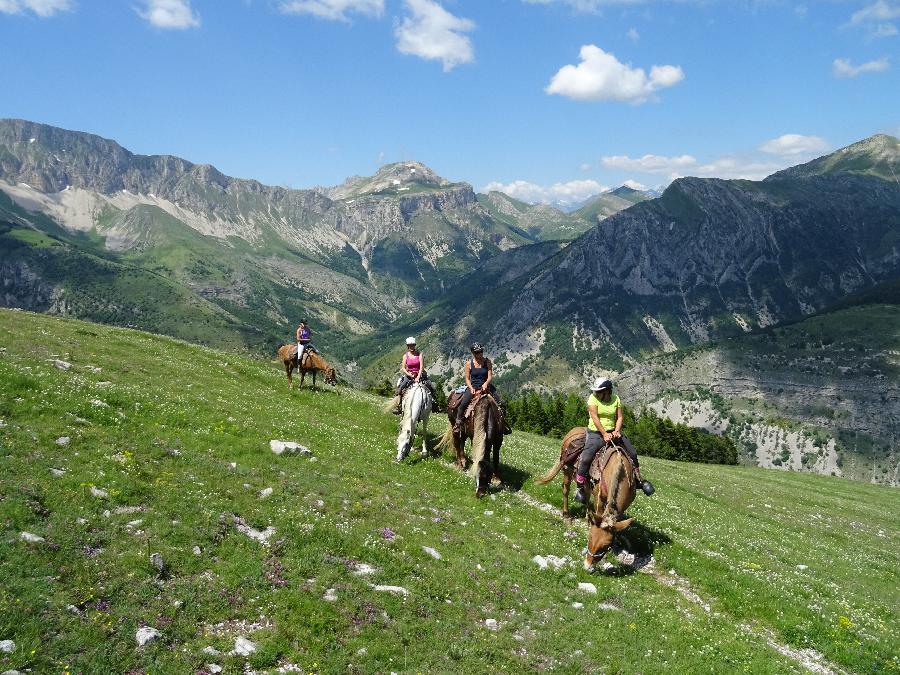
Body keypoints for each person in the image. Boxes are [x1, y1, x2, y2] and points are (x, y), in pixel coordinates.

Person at [574, 377, 654, 503]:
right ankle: (580, 487)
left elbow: (620, 417)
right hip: (596, 432)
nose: (596, 393)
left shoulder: (616, 399)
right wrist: (604, 433)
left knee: (632, 453)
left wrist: (616, 431)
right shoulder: (592, 399)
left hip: (613, 432)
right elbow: (595, 418)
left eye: (599, 391)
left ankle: (638, 480)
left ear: (607, 391)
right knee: (586, 457)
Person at [453, 342, 510, 434]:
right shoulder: (469, 364)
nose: (480, 354)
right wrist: (470, 387)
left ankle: (503, 425)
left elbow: (490, 376)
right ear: (473, 353)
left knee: (501, 403)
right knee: (463, 404)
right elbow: (467, 379)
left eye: (481, 351)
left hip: (486, 386)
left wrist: (486, 383)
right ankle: (458, 424)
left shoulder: (487, 362)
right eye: (477, 352)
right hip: (473, 387)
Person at [393, 337, 437, 414]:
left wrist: (418, 377)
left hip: (420, 374)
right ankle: (398, 406)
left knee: (431, 386)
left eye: (413, 345)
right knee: (401, 387)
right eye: (410, 345)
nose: (411, 347)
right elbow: (403, 367)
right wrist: (408, 374)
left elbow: (421, 367)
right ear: (408, 346)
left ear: (415, 345)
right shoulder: (405, 356)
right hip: (409, 374)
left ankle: (434, 405)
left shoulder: (419, 354)